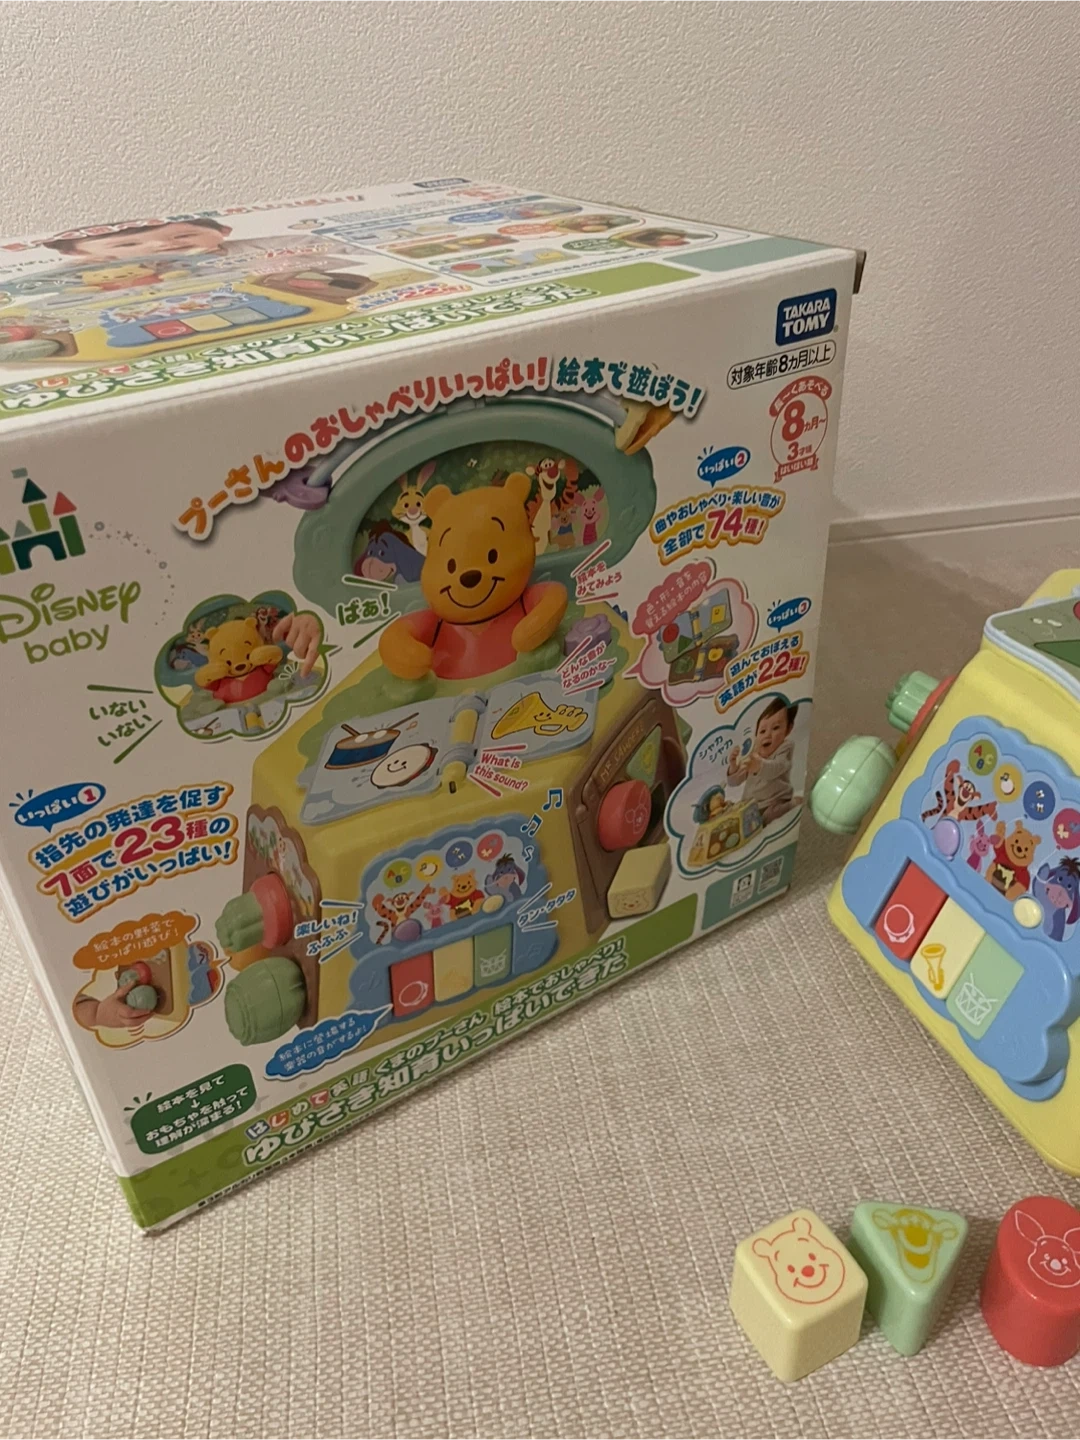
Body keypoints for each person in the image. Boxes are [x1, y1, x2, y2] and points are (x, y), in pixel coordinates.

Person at [727, 697, 798, 824]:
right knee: (733, 817)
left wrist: (759, 766)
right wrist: (733, 767)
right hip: (750, 805)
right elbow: (734, 782)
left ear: (788, 729)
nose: (767, 735)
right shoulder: (754, 752)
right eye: (762, 731)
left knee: (768, 816)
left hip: (774, 801)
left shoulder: (785, 747)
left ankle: (792, 804)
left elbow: (777, 767)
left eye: (775, 728)